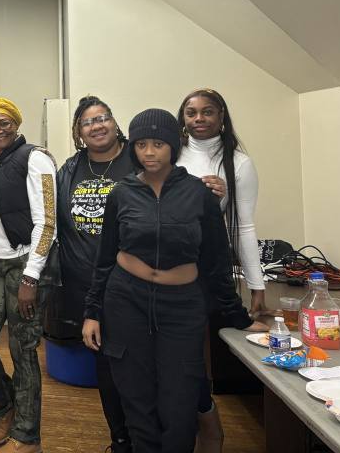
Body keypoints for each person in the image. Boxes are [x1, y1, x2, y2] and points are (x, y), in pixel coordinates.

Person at [82, 109, 265, 453]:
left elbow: (217, 265)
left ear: (173, 146)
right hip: (125, 301)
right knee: (136, 397)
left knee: (179, 402)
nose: (149, 152)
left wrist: (238, 317)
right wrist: (92, 311)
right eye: (141, 145)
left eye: (158, 144)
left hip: (181, 307)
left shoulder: (199, 195)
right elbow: (105, 259)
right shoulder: (121, 193)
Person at [0, 97, 57, 453]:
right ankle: (4, 408)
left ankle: (27, 434)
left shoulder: (35, 158)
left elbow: (47, 222)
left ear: (17, 123)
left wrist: (31, 278)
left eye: (5, 123)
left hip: (22, 267)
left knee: (24, 351)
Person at [176, 88, 266, 452]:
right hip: (165, 271)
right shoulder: (170, 154)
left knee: (197, 357)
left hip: (208, 274)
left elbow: (244, 226)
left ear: (221, 117)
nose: (199, 119)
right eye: (191, 112)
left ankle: (208, 426)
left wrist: (256, 285)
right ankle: (187, 425)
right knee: (178, 358)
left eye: (207, 112)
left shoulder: (239, 163)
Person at [45, 96, 133, 453]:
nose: (96, 126)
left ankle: (150, 436)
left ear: (114, 123)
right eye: (87, 122)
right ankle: (121, 439)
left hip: (134, 283)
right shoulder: (69, 169)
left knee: (138, 366)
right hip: (87, 287)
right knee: (107, 369)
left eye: (103, 118)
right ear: (78, 133)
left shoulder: (137, 158)